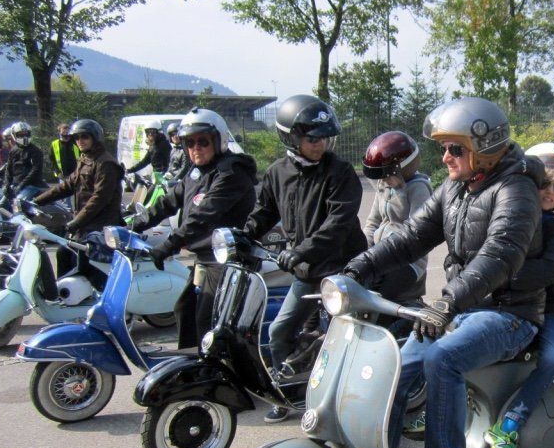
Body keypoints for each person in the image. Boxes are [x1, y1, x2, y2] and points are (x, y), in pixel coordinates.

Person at [342, 96, 542, 448]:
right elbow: (411, 237)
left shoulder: (516, 188)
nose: (445, 157)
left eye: (455, 148)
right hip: (462, 307)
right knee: (395, 366)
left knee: (443, 359)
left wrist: (447, 301)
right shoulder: (455, 187)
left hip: (508, 313)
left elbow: (500, 255)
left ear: (484, 147)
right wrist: (359, 266)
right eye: (443, 148)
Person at [242, 94, 367, 423]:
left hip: (343, 271)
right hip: (306, 271)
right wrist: (244, 234)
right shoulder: (277, 172)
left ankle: (351, 401)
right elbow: (264, 212)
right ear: (292, 138)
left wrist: (299, 250)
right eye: (312, 138)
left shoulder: (340, 172)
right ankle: (286, 394)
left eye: (324, 138)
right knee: (279, 331)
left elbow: (338, 224)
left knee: (345, 337)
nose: (319, 144)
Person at [130, 107, 257, 348]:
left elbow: (202, 217)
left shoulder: (231, 173)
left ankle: (214, 366)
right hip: (205, 257)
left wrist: (168, 246)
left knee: (206, 320)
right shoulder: (197, 172)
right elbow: (168, 202)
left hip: (226, 259)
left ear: (218, 141)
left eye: (202, 142)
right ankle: (192, 362)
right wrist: (132, 223)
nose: (195, 148)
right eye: (189, 143)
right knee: (184, 308)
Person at [484, 147, 554, 448]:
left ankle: (509, 424)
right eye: (545, 184)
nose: (550, 192)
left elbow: (552, 269)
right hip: (510, 302)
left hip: (550, 307)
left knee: (550, 359)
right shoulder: (513, 211)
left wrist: (502, 276)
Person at [32, 119, 123, 277]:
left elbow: (99, 199)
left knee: (81, 263)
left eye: (84, 137)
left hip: (99, 226)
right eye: (77, 137)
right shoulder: (85, 159)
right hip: (86, 224)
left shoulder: (105, 163)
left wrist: (76, 222)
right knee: (64, 254)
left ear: (95, 137)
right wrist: (37, 201)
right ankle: (65, 291)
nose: (80, 141)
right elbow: (68, 185)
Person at [362, 130, 433, 305]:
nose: (383, 180)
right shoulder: (384, 185)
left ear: (403, 168)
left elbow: (415, 231)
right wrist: (363, 249)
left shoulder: (418, 188)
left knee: (376, 299)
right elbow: (373, 222)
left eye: (386, 175)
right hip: (380, 254)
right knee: (353, 283)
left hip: (407, 260)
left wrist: (400, 190)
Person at [0, 121, 45, 209]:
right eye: (20, 134)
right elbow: (9, 169)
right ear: (14, 135)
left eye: (26, 134)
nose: (24, 137)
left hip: (32, 185)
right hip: (16, 185)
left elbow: (35, 170)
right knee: (0, 206)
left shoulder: (35, 151)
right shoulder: (13, 150)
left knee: (18, 205)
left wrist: (21, 185)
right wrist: (6, 185)